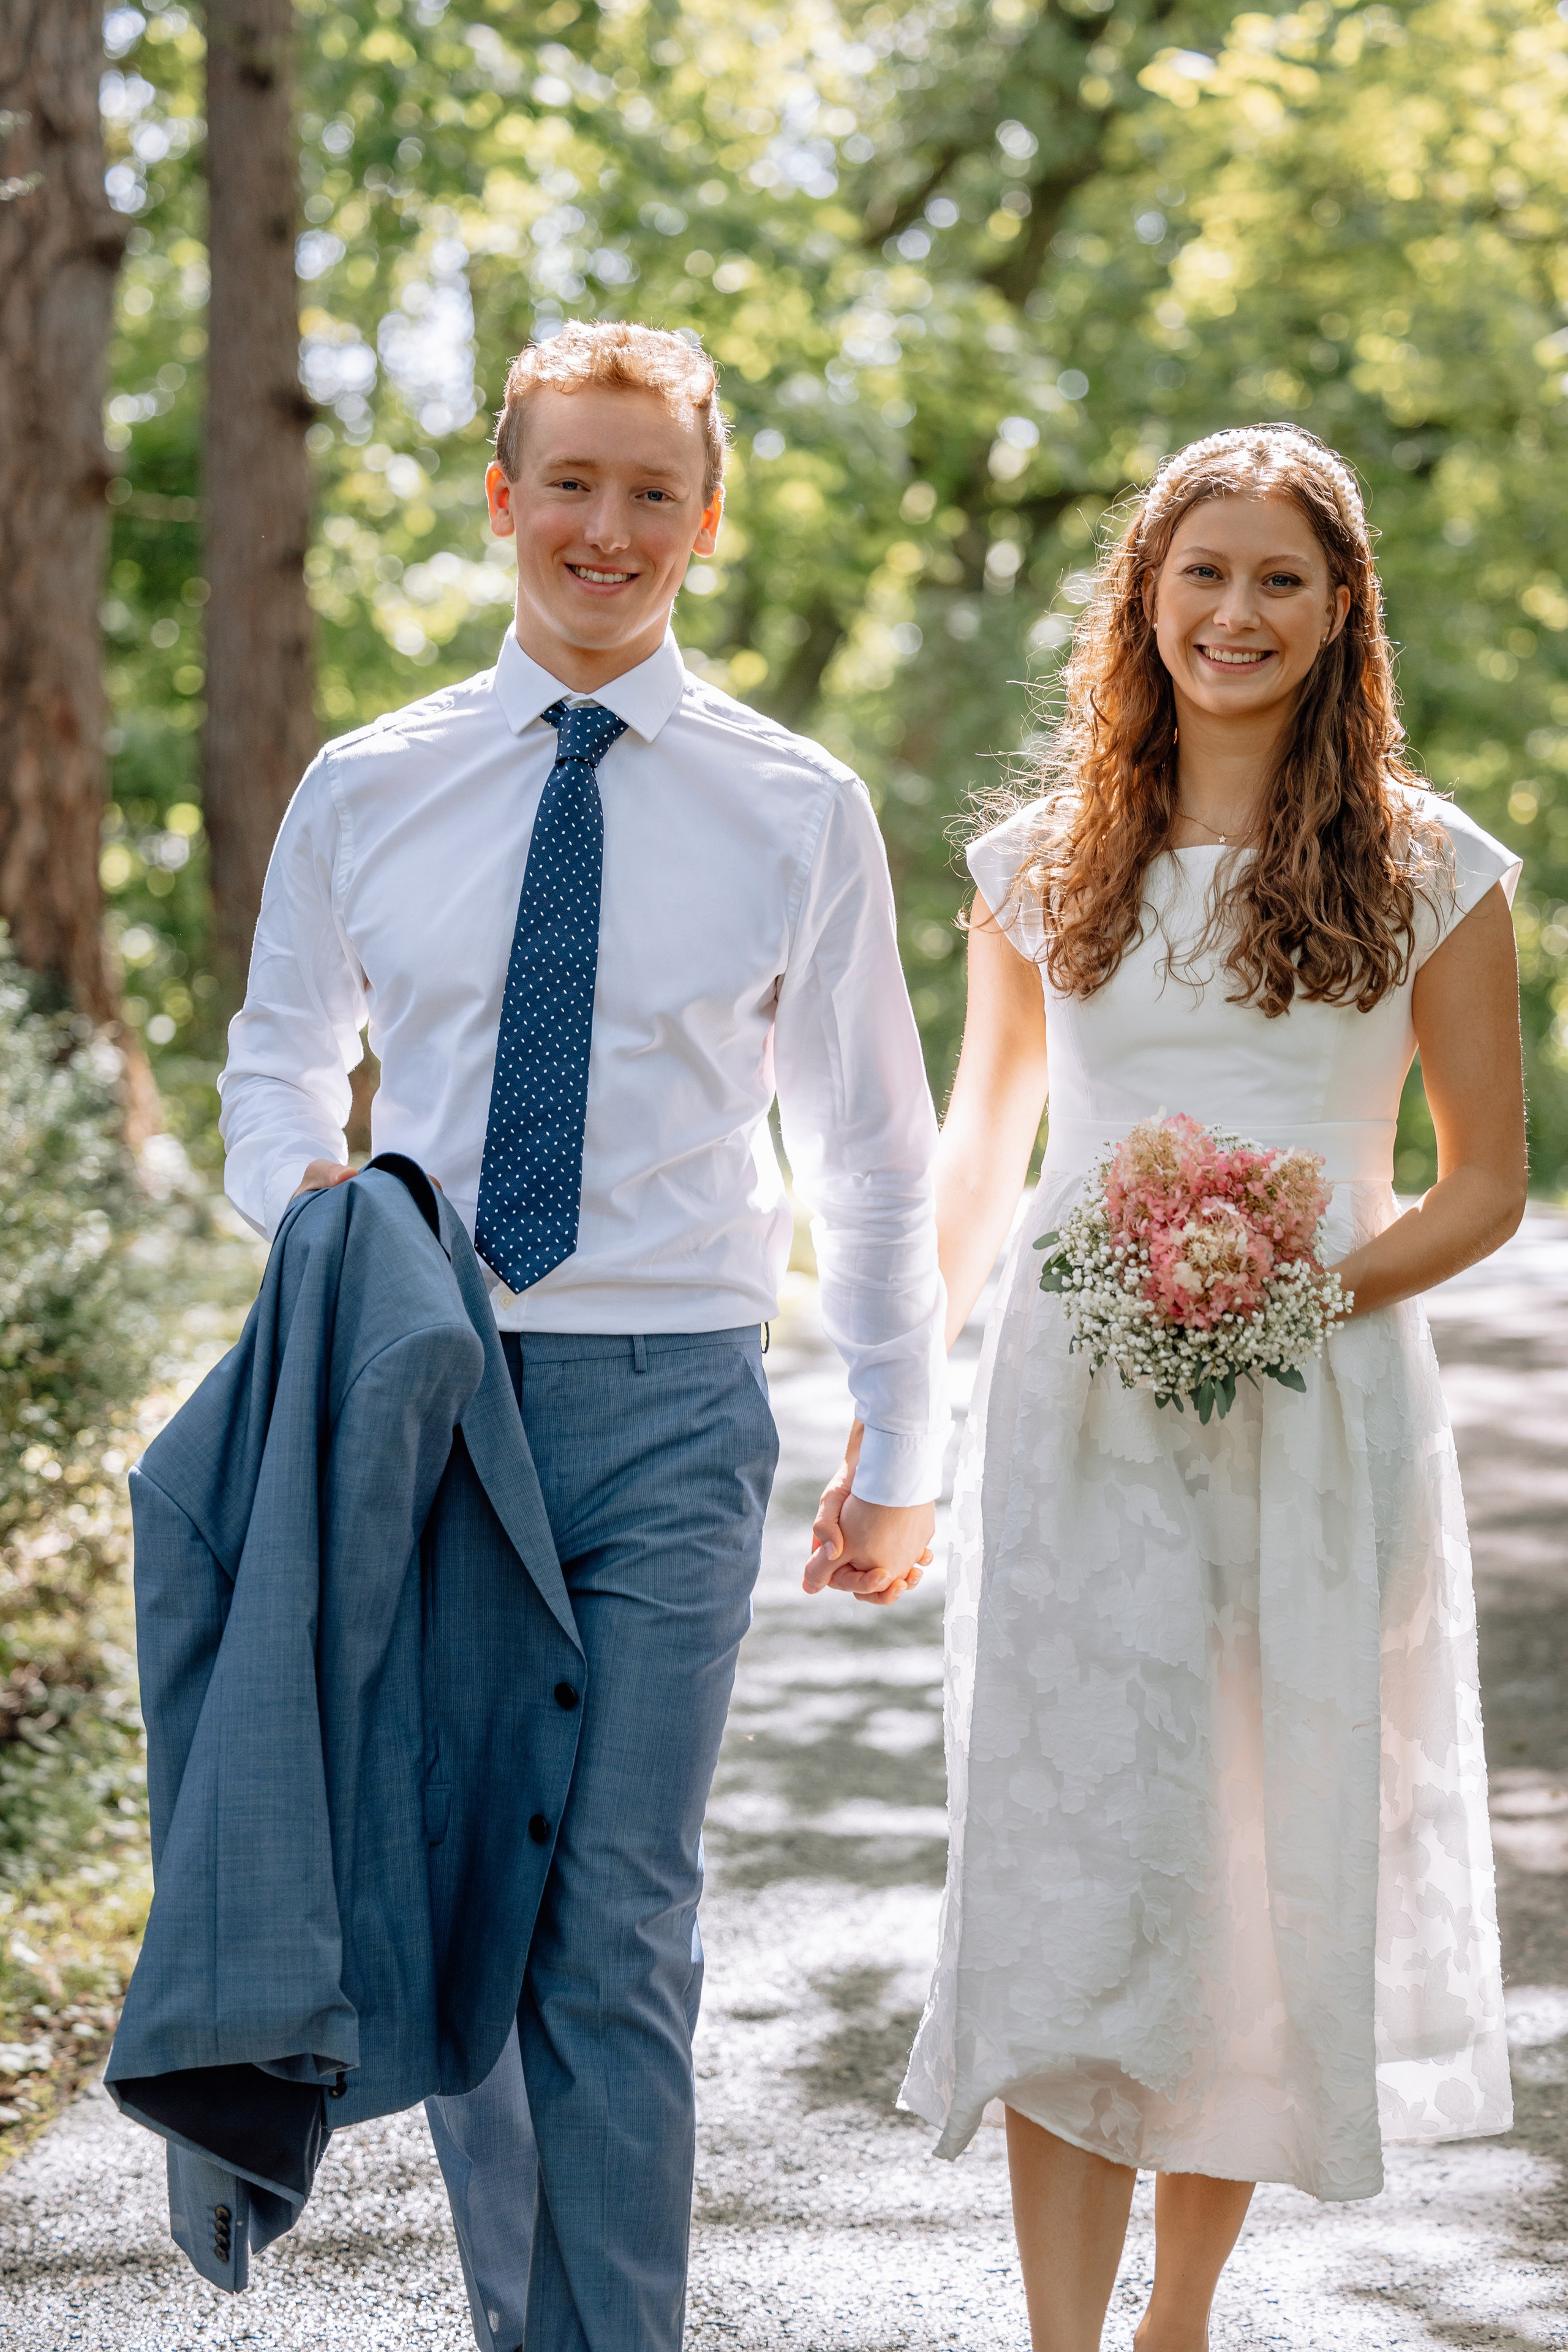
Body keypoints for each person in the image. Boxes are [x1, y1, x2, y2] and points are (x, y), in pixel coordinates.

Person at [216, 320, 946, 2352]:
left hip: (673, 1406)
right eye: (570, 482)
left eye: (651, 491)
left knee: (612, 1915)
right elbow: (279, 1060)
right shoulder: (370, 785)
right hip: (430, 1395)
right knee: (484, 1901)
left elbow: (872, 1146)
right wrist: (310, 1210)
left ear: (706, 522)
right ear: (502, 498)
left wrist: (905, 1441)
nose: (606, 528)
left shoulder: (797, 808)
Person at [821, 424, 1525, 2349]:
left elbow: (1483, 1184)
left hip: (1318, 1421)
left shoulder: (1436, 870)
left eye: (1281, 578)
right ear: (1143, 596)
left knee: (1245, 1862)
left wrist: (1292, 1289)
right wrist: (895, 1424)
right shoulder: (1042, 864)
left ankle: (1178, 2320)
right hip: (1078, 1415)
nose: (1237, 612)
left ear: (1341, 609)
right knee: (1072, 1863)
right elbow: (982, 1157)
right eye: (1203, 572)